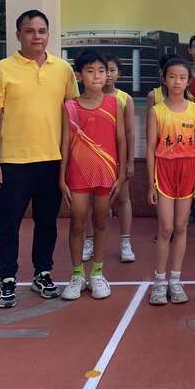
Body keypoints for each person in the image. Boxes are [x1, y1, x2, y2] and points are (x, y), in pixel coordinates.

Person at [0, 9, 79, 308]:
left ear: (48, 34)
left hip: (53, 160)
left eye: (41, 31)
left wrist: (73, 160)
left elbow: (72, 117)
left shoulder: (63, 70)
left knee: (47, 222)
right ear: (18, 35)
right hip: (14, 162)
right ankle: (7, 279)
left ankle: (43, 273)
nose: (36, 36)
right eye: (29, 31)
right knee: (8, 224)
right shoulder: (2, 70)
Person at [59, 50, 127, 300]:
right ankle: (77, 274)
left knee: (101, 222)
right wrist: (61, 177)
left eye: (101, 71)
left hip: (106, 174)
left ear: (108, 74)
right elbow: (65, 142)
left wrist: (121, 174)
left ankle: (97, 273)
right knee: (77, 223)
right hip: (77, 173)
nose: (97, 76)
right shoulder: (70, 106)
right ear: (79, 75)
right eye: (90, 71)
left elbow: (121, 140)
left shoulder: (115, 104)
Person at [146, 59, 195, 305]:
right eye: (172, 76)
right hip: (164, 170)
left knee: (181, 227)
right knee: (166, 227)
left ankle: (175, 280)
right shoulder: (157, 110)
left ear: (188, 81)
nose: (177, 81)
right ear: (164, 79)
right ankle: (159, 281)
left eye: (182, 77)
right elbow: (151, 148)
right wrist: (151, 182)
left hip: (188, 170)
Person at [101, 55, 136, 263]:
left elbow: (130, 132)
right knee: (92, 203)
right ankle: (89, 240)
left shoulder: (125, 99)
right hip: (96, 158)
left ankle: (125, 242)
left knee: (123, 199)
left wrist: (129, 161)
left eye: (112, 70)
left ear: (118, 74)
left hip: (118, 158)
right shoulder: (85, 98)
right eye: (103, 70)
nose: (107, 74)